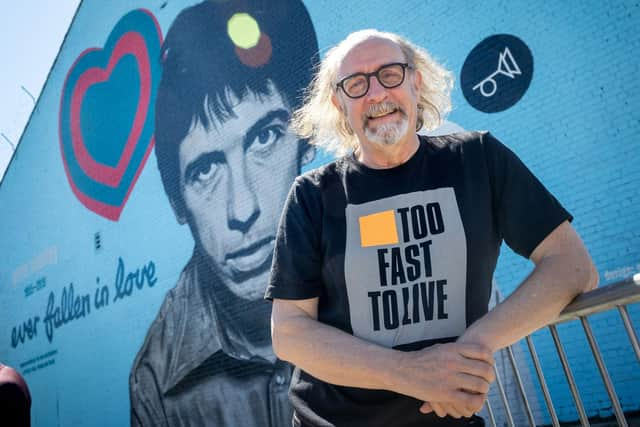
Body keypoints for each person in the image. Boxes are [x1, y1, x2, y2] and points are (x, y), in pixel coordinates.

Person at [266, 29, 598, 427]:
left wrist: (470, 349)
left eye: (390, 73)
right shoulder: (312, 196)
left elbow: (572, 266)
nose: (376, 94)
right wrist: (409, 373)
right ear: (339, 103)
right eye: (356, 84)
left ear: (415, 81)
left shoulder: (477, 159)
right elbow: (289, 332)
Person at [128, 1, 318, 426]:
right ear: (179, 203)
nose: (243, 208)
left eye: (265, 137)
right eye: (206, 170)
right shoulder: (156, 379)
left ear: (307, 137)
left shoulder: (387, 265)